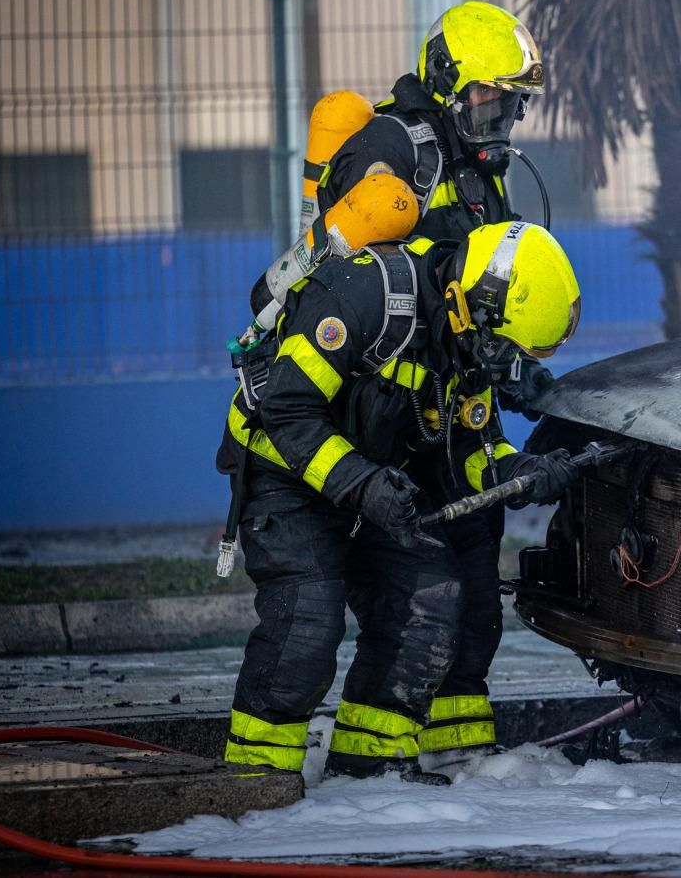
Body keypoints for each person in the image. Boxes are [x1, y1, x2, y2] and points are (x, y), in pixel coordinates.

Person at [218, 221, 582, 782]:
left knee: (431, 598)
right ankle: (253, 786)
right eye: (503, 347)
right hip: (283, 472)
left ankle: (369, 772)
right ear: (473, 304)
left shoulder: (464, 341)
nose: (503, 364)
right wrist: (364, 485)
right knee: (307, 620)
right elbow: (287, 411)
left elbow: (468, 445)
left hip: (369, 481)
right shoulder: (365, 295)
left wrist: (522, 472)